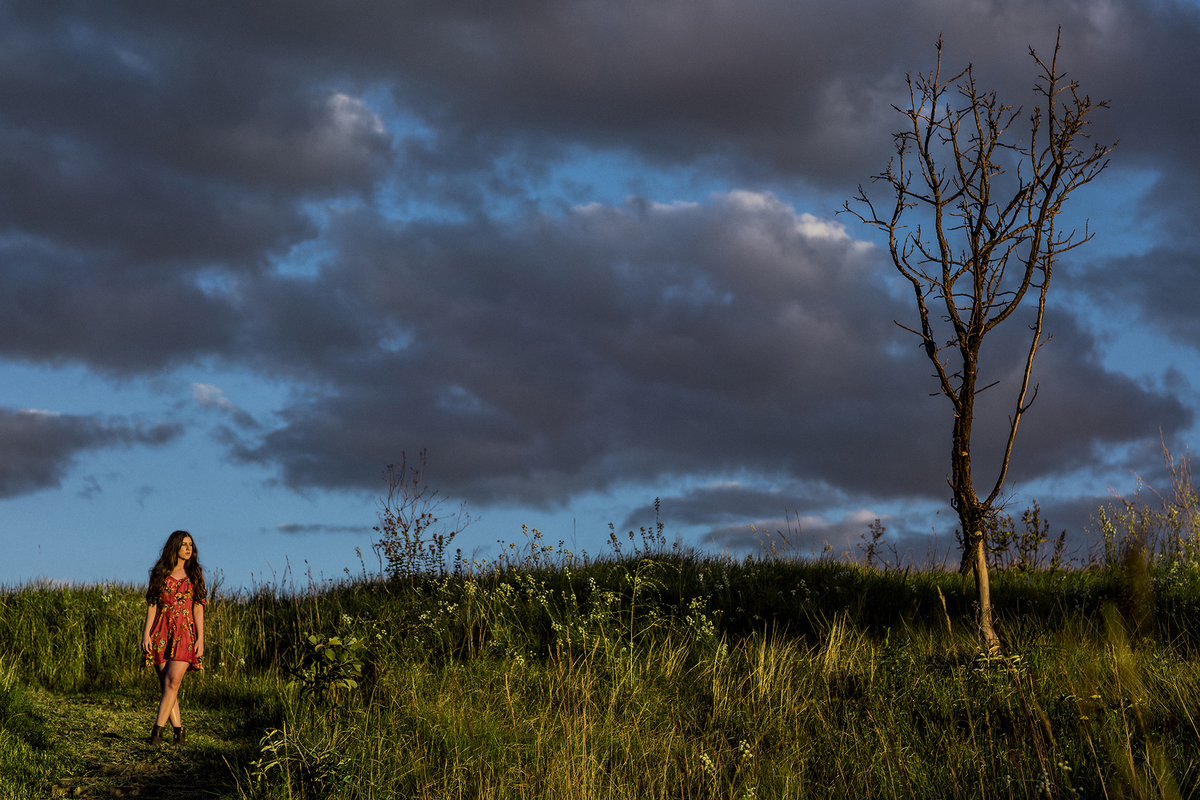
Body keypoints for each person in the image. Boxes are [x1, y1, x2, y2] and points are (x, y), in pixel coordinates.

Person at [141, 530, 206, 747]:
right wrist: (146, 634)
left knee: (173, 681)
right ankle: (179, 735)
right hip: (160, 631)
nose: (189, 548)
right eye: (184, 544)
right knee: (168, 686)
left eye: (191, 545)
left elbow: (198, 609)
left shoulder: (196, 575)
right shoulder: (160, 573)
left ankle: (156, 734)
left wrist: (200, 639)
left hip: (185, 633)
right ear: (175, 546)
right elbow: (152, 605)